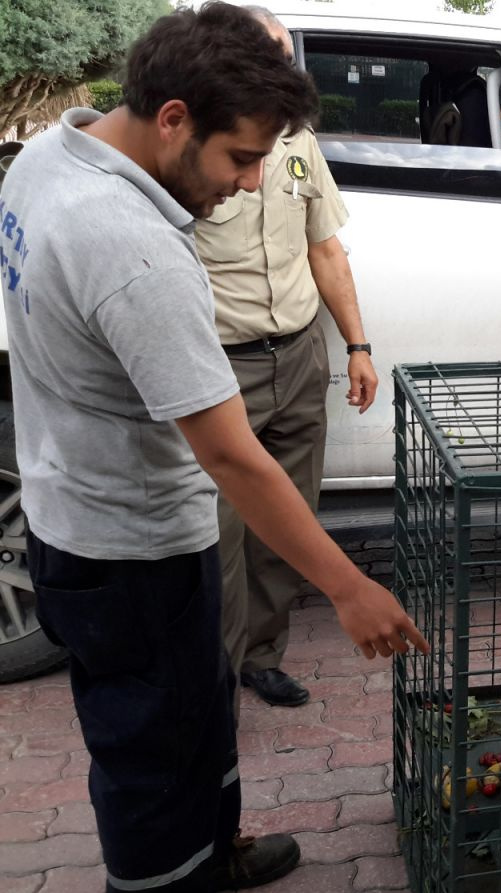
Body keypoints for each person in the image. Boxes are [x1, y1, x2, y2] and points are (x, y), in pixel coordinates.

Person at [0, 5, 427, 893]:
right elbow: (234, 454)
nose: (251, 184)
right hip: (123, 542)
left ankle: (209, 854)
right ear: (174, 118)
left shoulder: (50, 152)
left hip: (100, 503)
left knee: (200, 706)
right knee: (148, 749)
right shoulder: (135, 246)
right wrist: (348, 587)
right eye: (240, 158)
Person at [195, 6, 375, 709]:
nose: (280, 70)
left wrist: (357, 346)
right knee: (218, 534)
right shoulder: (197, 148)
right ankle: (214, 674)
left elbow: (325, 248)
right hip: (221, 364)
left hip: (298, 355)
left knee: (289, 520)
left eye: (285, 58)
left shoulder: (297, 140)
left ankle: (261, 659)